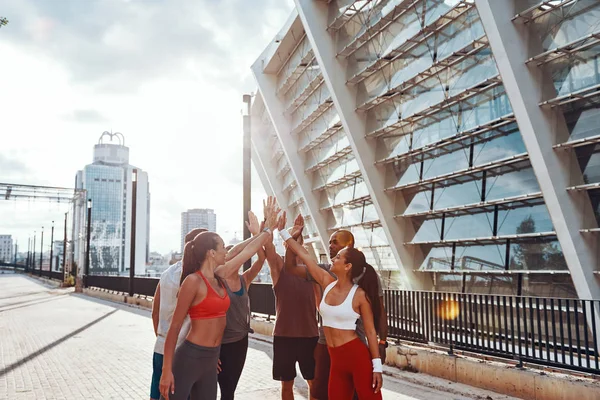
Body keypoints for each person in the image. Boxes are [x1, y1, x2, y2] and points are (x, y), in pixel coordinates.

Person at [159, 201, 279, 400]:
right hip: (189, 357)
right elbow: (174, 328)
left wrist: (266, 231)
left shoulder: (221, 275)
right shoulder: (193, 281)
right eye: (223, 248)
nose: (226, 251)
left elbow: (247, 252)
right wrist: (166, 370)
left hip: (211, 358)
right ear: (211, 253)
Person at [284, 222, 389, 399]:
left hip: (356, 351)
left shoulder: (362, 288)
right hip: (331, 352)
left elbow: (374, 323)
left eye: (335, 244)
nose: (331, 248)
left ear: (348, 261)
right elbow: (301, 258)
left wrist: (380, 349)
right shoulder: (326, 277)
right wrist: (286, 234)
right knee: (322, 393)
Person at [263, 205, 318, 400]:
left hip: (310, 335)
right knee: (287, 386)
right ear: (287, 245)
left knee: (315, 384)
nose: (295, 247)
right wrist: (270, 226)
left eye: (298, 242)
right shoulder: (279, 266)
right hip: (284, 337)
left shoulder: (312, 270)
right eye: (292, 242)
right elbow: (268, 248)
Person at [215, 211, 267, 400]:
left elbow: (261, 261)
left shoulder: (244, 280)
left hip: (240, 342)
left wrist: (256, 235)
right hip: (220, 343)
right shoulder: (218, 280)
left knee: (230, 390)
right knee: (216, 388)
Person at [150, 227, 207, 400]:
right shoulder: (197, 278)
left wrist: (163, 339)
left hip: (161, 349)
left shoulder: (167, 273)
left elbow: (155, 312)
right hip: (186, 353)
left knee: (156, 396)